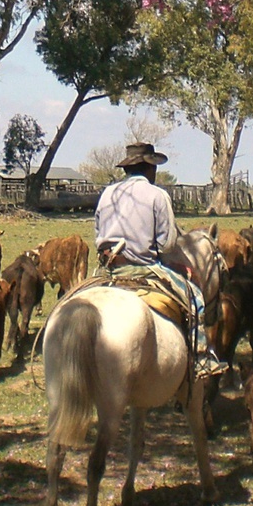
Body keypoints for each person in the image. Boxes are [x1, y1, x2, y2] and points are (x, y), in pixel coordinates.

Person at [94, 142, 224, 380]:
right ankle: (201, 360)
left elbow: (98, 233)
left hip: (109, 270)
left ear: (127, 169)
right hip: (143, 268)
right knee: (195, 298)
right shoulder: (157, 195)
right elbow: (166, 245)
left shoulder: (107, 194)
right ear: (150, 169)